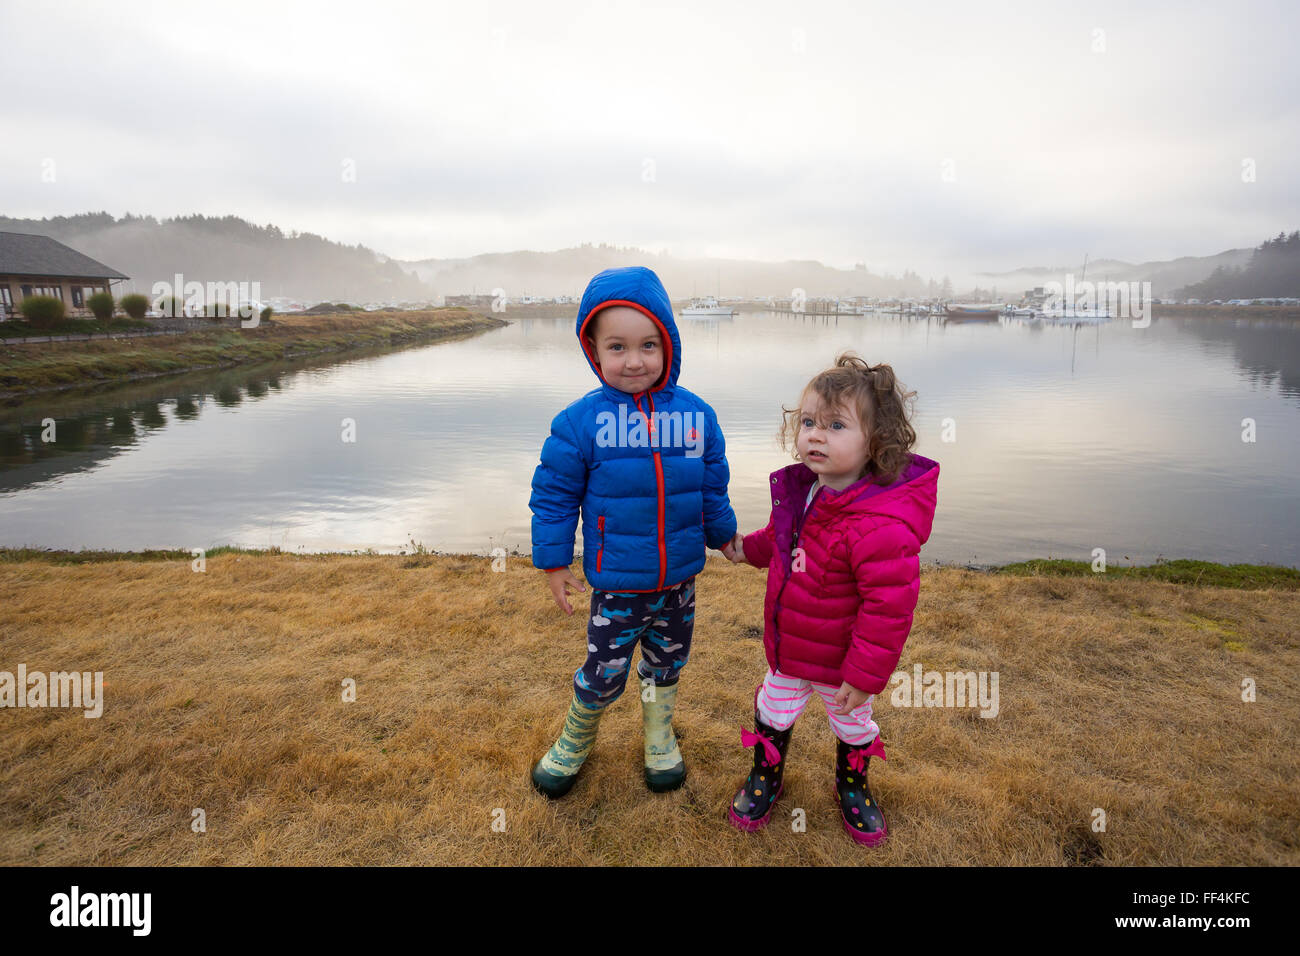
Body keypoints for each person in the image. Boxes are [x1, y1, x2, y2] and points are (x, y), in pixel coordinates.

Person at [529, 265, 738, 798]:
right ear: (593, 351)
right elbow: (554, 497)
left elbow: (710, 486)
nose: (634, 360)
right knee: (604, 670)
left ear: (668, 344)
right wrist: (554, 563)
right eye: (617, 347)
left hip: (680, 582)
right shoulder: (578, 424)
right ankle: (576, 739)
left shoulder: (698, 417)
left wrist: (724, 533)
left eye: (648, 345)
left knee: (666, 663)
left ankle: (658, 734)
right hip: (619, 586)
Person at [721, 352, 939, 845]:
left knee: (853, 726)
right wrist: (743, 550)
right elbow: (782, 539)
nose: (815, 434)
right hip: (790, 651)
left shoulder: (881, 524)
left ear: (875, 443)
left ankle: (854, 786)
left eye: (835, 425)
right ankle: (766, 776)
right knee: (772, 712)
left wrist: (864, 676)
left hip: (842, 665)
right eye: (808, 422)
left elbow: (888, 611)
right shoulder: (807, 492)